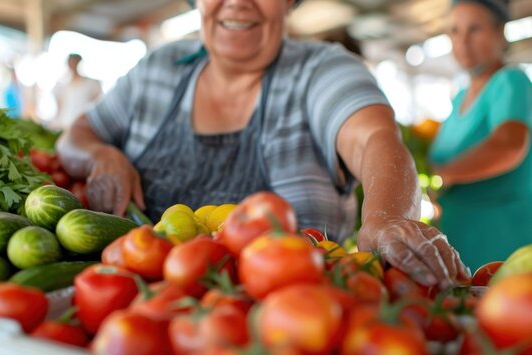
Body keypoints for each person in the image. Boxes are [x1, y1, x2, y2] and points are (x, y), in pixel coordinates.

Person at [57, 0, 470, 289]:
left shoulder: (322, 68)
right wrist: (102, 154)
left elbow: (374, 138)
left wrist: (385, 216)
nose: (238, 2)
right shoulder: (157, 70)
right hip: (150, 313)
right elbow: (76, 135)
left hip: (293, 318)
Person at [429, 0, 532, 272]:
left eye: (475, 29)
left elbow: (509, 144)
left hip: (500, 244)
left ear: (500, 33)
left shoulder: (510, 81)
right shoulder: (461, 97)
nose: (463, 41)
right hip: (461, 243)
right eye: (454, 30)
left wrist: (444, 175)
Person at [48, 53, 102, 131]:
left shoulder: (91, 84)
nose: (72, 65)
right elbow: (60, 106)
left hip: (84, 126)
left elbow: (97, 103)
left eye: (74, 62)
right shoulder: (63, 85)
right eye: (70, 62)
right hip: (65, 124)